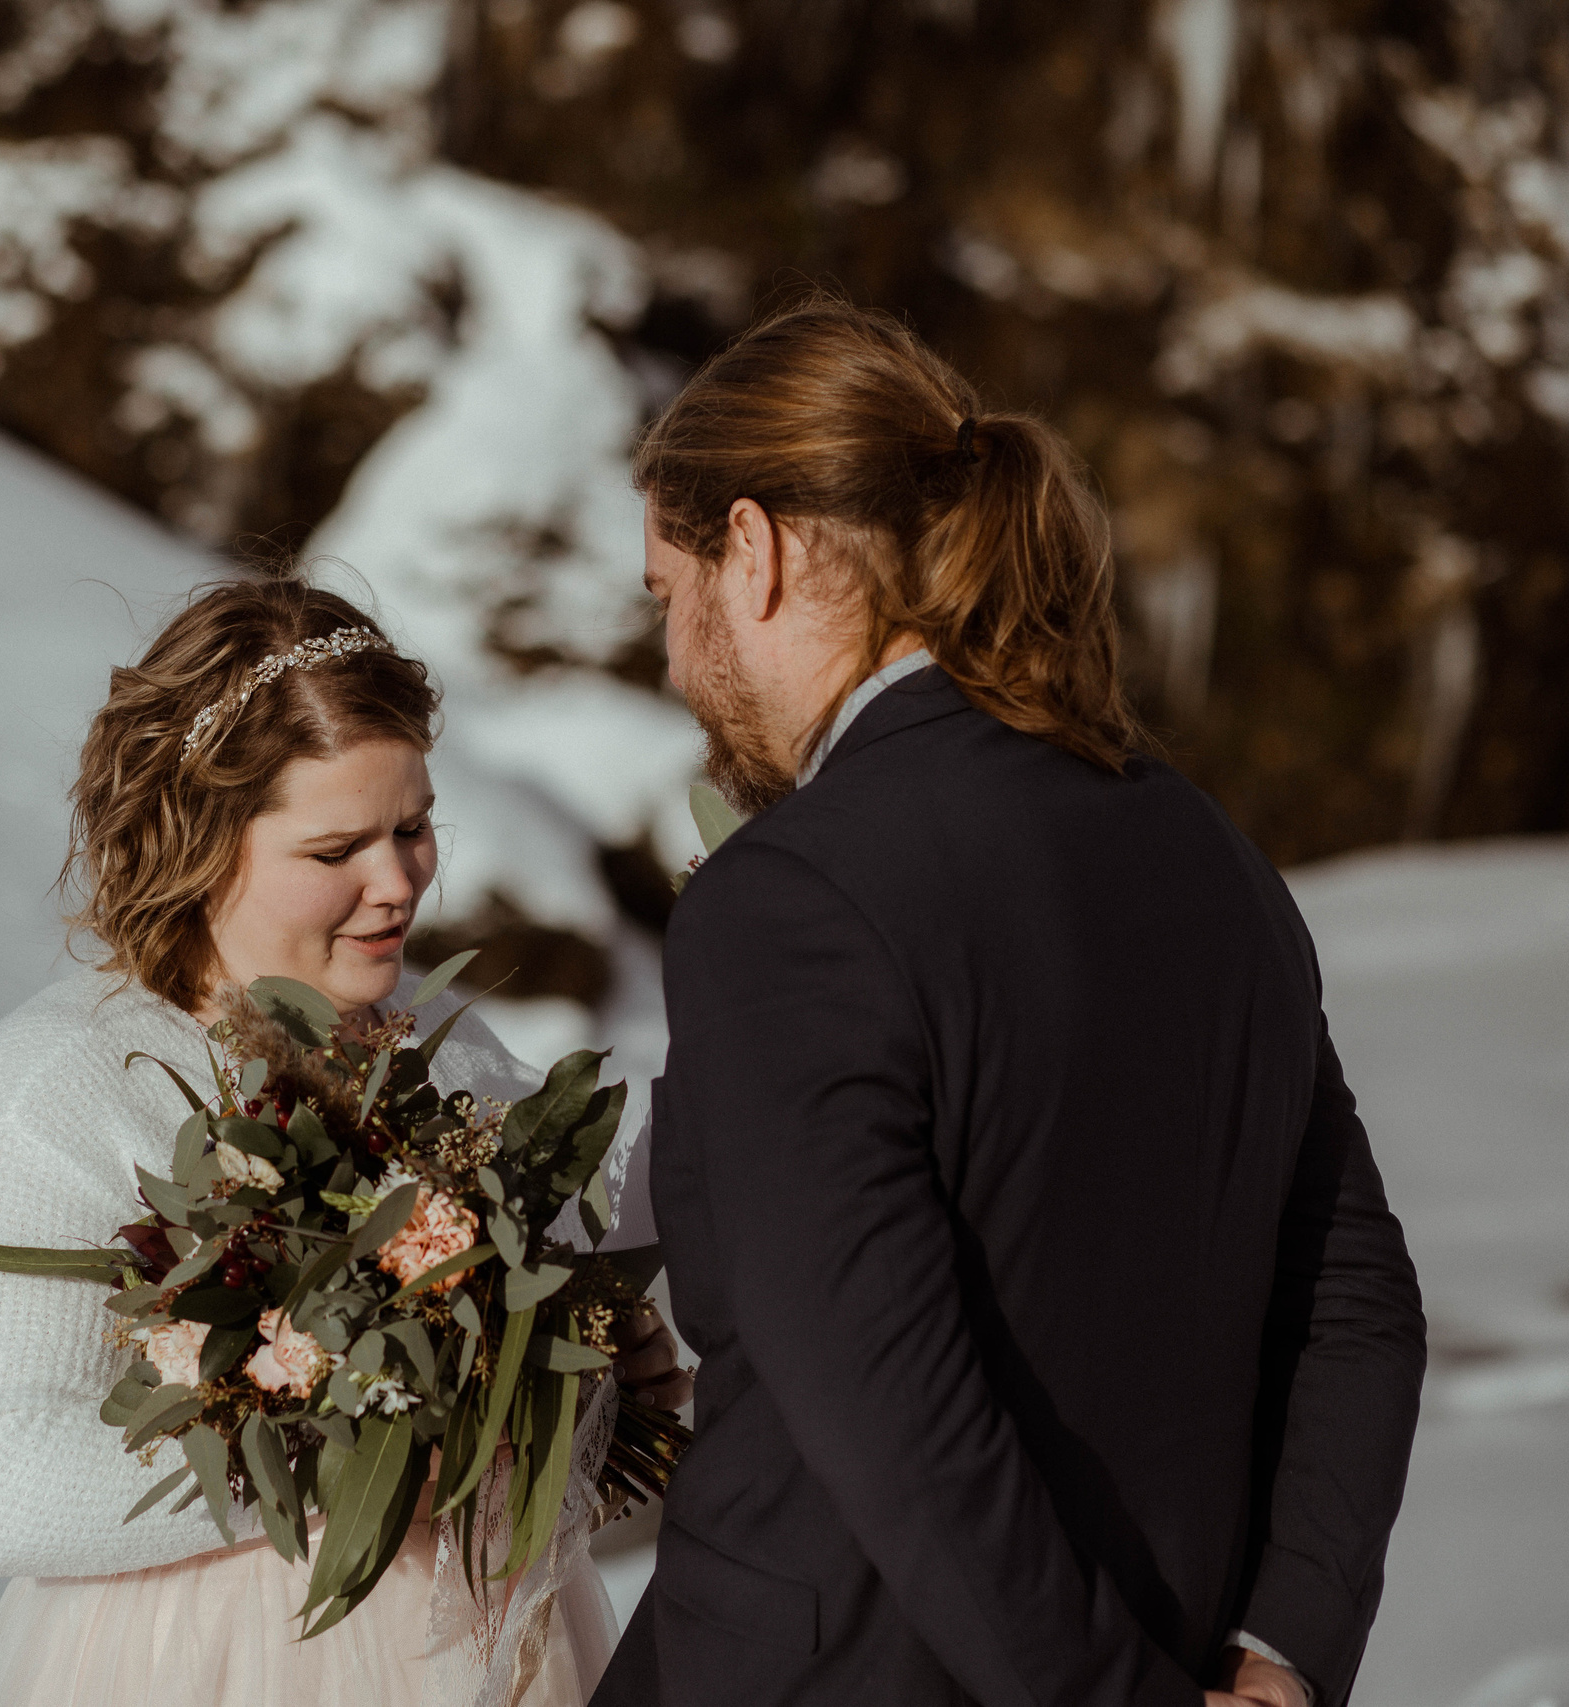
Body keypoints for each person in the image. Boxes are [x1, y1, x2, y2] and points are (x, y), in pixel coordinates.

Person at [590, 301, 1427, 1707]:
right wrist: (1280, 1653)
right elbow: (1356, 1297)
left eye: (670, 594)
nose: (678, 660)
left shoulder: (790, 895)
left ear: (759, 547)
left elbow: (882, 1399)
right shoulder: (1202, 846)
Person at [0, 580, 681, 1707]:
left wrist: (597, 1394)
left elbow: (512, 1416)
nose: (399, 881)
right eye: (336, 849)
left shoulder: (454, 1053)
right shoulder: (54, 1089)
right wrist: (344, 1467)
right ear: (197, 843)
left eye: (413, 827)